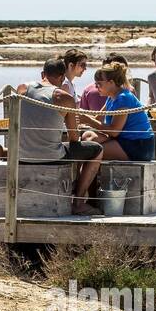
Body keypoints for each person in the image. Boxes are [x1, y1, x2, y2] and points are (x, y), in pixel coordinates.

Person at [17, 57, 106, 215]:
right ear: (62, 77)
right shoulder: (64, 97)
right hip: (50, 156)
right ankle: (78, 202)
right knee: (97, 150)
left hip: (21, 154)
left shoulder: (22, 88)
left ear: (42, 73)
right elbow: (73, 138)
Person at [81, 61, 155, 162]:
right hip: (124, 140)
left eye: (99, 84)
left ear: (111, 82)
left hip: (138, 145)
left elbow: (114, 131)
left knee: (89, 151)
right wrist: (83, 120)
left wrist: (88, 120)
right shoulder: (111, 97)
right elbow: (97, 119)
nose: (96, 87)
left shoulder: (123, 98)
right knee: (88, 136)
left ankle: (85, 178)